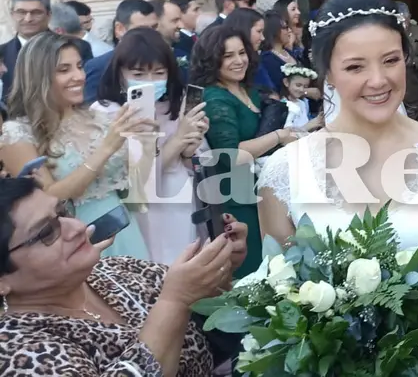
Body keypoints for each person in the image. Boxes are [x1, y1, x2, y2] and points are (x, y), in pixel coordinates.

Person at [257, 0, 418, 375]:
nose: (378, 80)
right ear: (328, 74)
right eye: (355, 67)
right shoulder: (284, 172)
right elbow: (281, 291)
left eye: (390, 60)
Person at [0, 176, 249, 376]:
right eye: (46, 232)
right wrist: (173, 302)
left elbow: (209, 315)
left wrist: (219, 269)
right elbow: (179, 300)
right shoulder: (18, 352)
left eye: (63, 212)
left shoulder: (112, 270)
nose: (77, 228)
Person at [0, 33, 153, 259]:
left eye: (80, 66)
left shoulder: (98, 120)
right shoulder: (17, 133)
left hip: (125, 231)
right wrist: (106, 149)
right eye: (64, 70)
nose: (78, 76)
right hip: (75, 241)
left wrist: (148, 145)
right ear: (39, 77)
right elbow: (50, 198)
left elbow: (133, 189)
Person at [94, 28, 211, 265]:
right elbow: (138, 180)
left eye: (159, 73)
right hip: (142, 208)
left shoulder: (174, 107)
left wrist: (190, 145)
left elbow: (196, 160)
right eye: (139, 73)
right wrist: (177, 140)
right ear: (119, 73)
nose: (150, 81)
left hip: (178, 199)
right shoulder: (106, 113)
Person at [191, 26, 296, 277]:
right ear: (212, 59)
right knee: (256, 271)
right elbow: (230, 155)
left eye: (241, 52)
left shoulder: (245, 89)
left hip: (261, 186)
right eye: (228, 56)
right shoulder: (215, 98)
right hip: (236, 196)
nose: (238, 61)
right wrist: (278, 136)